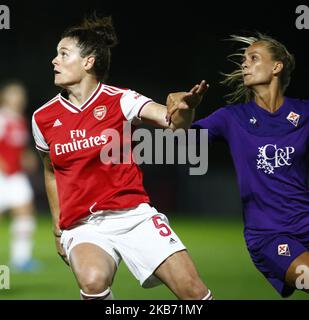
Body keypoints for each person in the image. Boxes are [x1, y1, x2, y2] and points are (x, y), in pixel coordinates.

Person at [32, 15, 213, 300]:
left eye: (63, 54)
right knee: (92, 281)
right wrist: (58, 229)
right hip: (83, 225)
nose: (54, 60)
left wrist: (186, 107)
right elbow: (51, 172)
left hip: (133, 215)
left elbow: (174, 123)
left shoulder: (121, 100)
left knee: (193, 291)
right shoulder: (42, 118)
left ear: (88, 61)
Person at [167, 33, 309, 298]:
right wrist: (186, 111)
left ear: (276, 67)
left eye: (253, 58)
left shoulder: (303, 113)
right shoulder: (232, 118)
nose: (244, 64)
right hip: (269, 235)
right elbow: (180, 142)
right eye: (244, 60)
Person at [0, 81, 38, 272]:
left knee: (25, 212)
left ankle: (21, 259)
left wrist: (27, 156)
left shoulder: (20, 120)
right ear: (6, 97)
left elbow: (18, 147)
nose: (20, 99)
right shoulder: (2, 118)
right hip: (2, 176)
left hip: (16, 176)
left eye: (21, 95)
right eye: (15, 95)